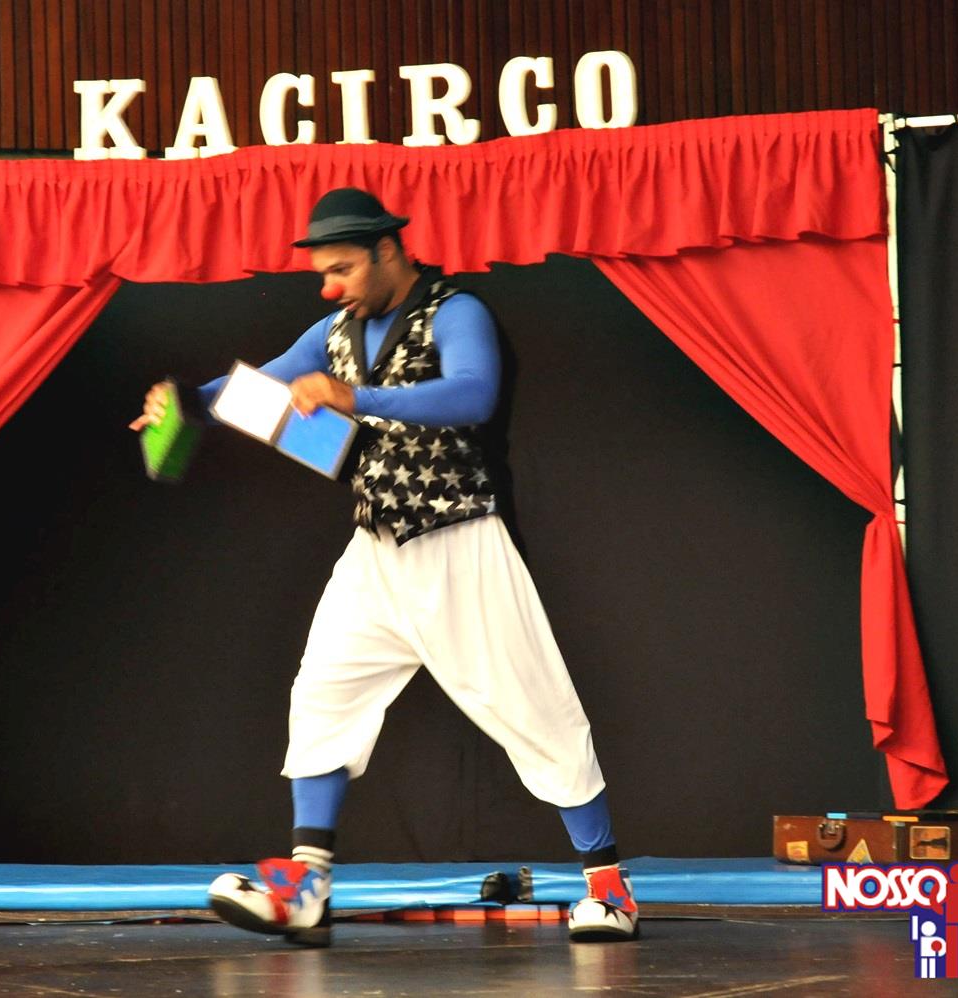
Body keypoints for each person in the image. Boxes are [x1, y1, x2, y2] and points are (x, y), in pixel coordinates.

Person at [129, 187, 637, 947]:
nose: (329, 287)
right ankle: (308, 886)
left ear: (388, 250)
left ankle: (609, 888)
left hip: (461, 542)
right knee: (321, 700)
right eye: (323, 273)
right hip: (375, 550)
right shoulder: (334, 331)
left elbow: (473, 393)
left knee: (536, 710)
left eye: (342, 269)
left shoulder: (455, 312)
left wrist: (355, 395)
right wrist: (181, 403)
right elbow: (256, 389)